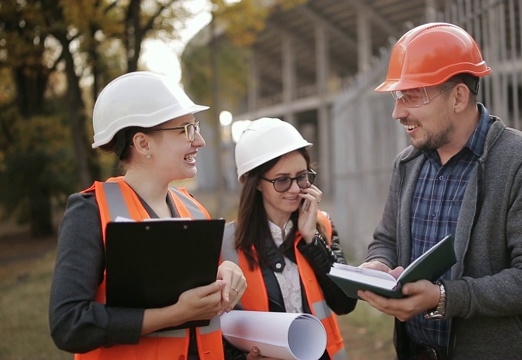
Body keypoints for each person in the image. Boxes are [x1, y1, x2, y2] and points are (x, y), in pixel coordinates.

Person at [357, 22, 522, 359]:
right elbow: (387, 240)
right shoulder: (407, 164)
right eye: (398, 97)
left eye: (411, 95)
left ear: (458, 96)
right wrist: (379, 265)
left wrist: (444, 297)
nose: (398, 112)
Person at [49, 71, 247, 360]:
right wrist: (174, 314)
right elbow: (69, 325)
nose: (200, 141)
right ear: (143, 144)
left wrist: (228, 272)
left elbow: (204, 316)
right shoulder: (90, 212)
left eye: (196, 127)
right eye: (186, 129)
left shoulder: (194, 209)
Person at [220, 117, 356, 360]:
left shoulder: (322, 225)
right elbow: (215, 329)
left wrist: (312, 239)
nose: (295, 189)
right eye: (282, 180)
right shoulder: (226, 244)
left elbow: (346, 304)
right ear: (256, 183)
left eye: (302, 176)